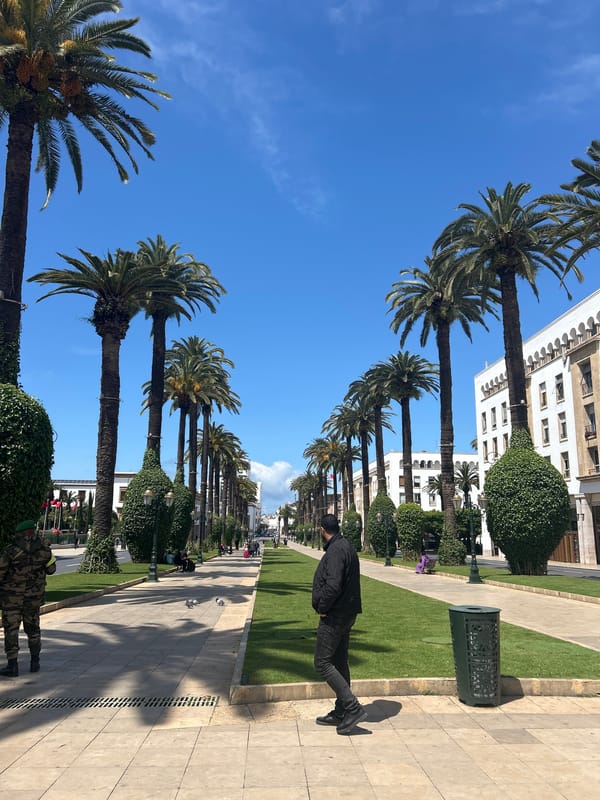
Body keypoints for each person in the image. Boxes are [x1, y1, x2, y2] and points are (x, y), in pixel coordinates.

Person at [312, 513, 367, 735]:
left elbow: (333, 585)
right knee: (339, 660)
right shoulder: (346, 546)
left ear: (322, 530)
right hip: (347, 613)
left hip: (335, 615)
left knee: (322, 662)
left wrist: (323, 607)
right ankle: (341, 709)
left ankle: (352, 707)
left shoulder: (336, 551)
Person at [0, 520, 57, 677]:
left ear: (20, 534)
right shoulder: (45, 551)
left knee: (11, 630)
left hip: (12, 599)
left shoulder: (10, 552)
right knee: (33, 630)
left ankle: (12, 665)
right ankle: (35, 662)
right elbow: (52, 570)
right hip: (34, 599)